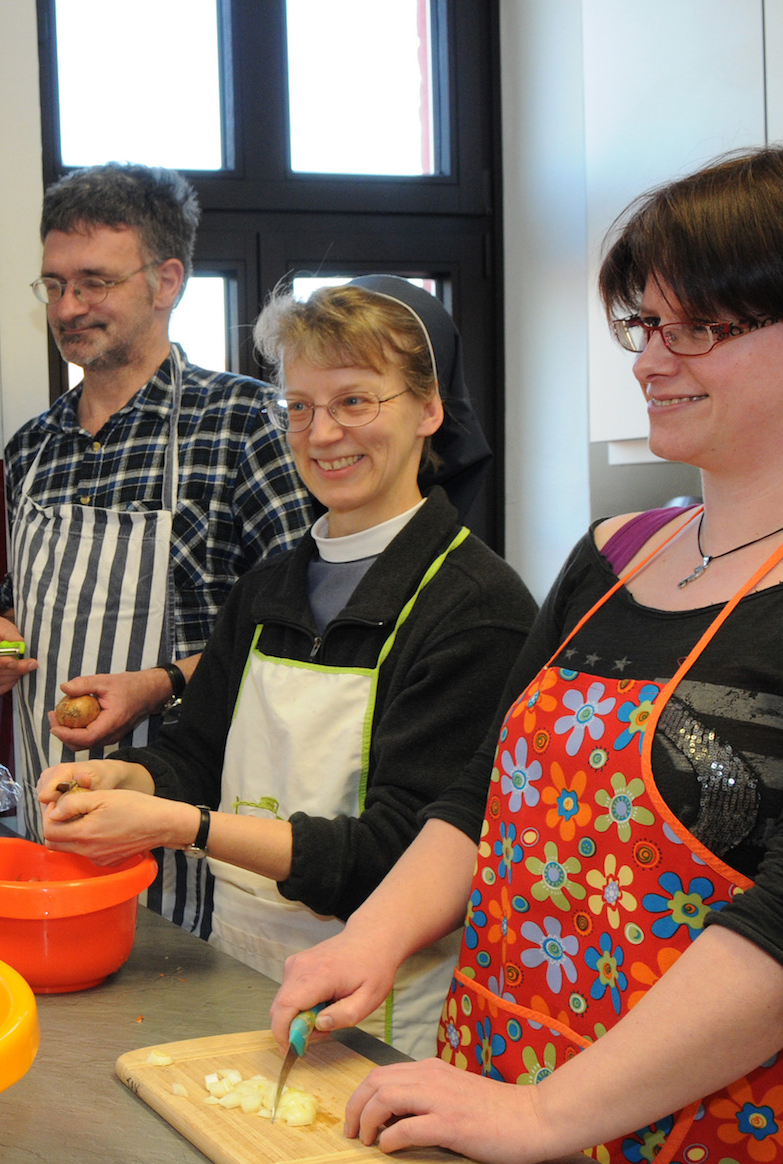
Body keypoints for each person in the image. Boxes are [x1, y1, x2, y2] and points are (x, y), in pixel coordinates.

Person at [271, 143, 783, 1164]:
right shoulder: (616, 556)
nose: (650, 362)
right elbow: (483, 793)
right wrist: (372, 935)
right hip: (528, 1122)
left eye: (695, 328)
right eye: (641, 324)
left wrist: (543, 1110)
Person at [35, 277, 534, 1058]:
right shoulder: (272, 584)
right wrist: (126, 782)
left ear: (428, 411)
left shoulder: (477, 607)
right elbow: (196, 755)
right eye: (298, 406)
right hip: (241, 970)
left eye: (355, 401)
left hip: (387, 1015)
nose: (322, 433)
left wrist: (180, 827)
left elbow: (395, 855)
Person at [0, 163, 318, 933]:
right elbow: (24, 605)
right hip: (50, 819)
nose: (69, 307)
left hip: (195, 829)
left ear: (167, 281)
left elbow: (296, 635)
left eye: (93, 282)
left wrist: (160, 684)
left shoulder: (246, 426)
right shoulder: (34, 447)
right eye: (53, 285)